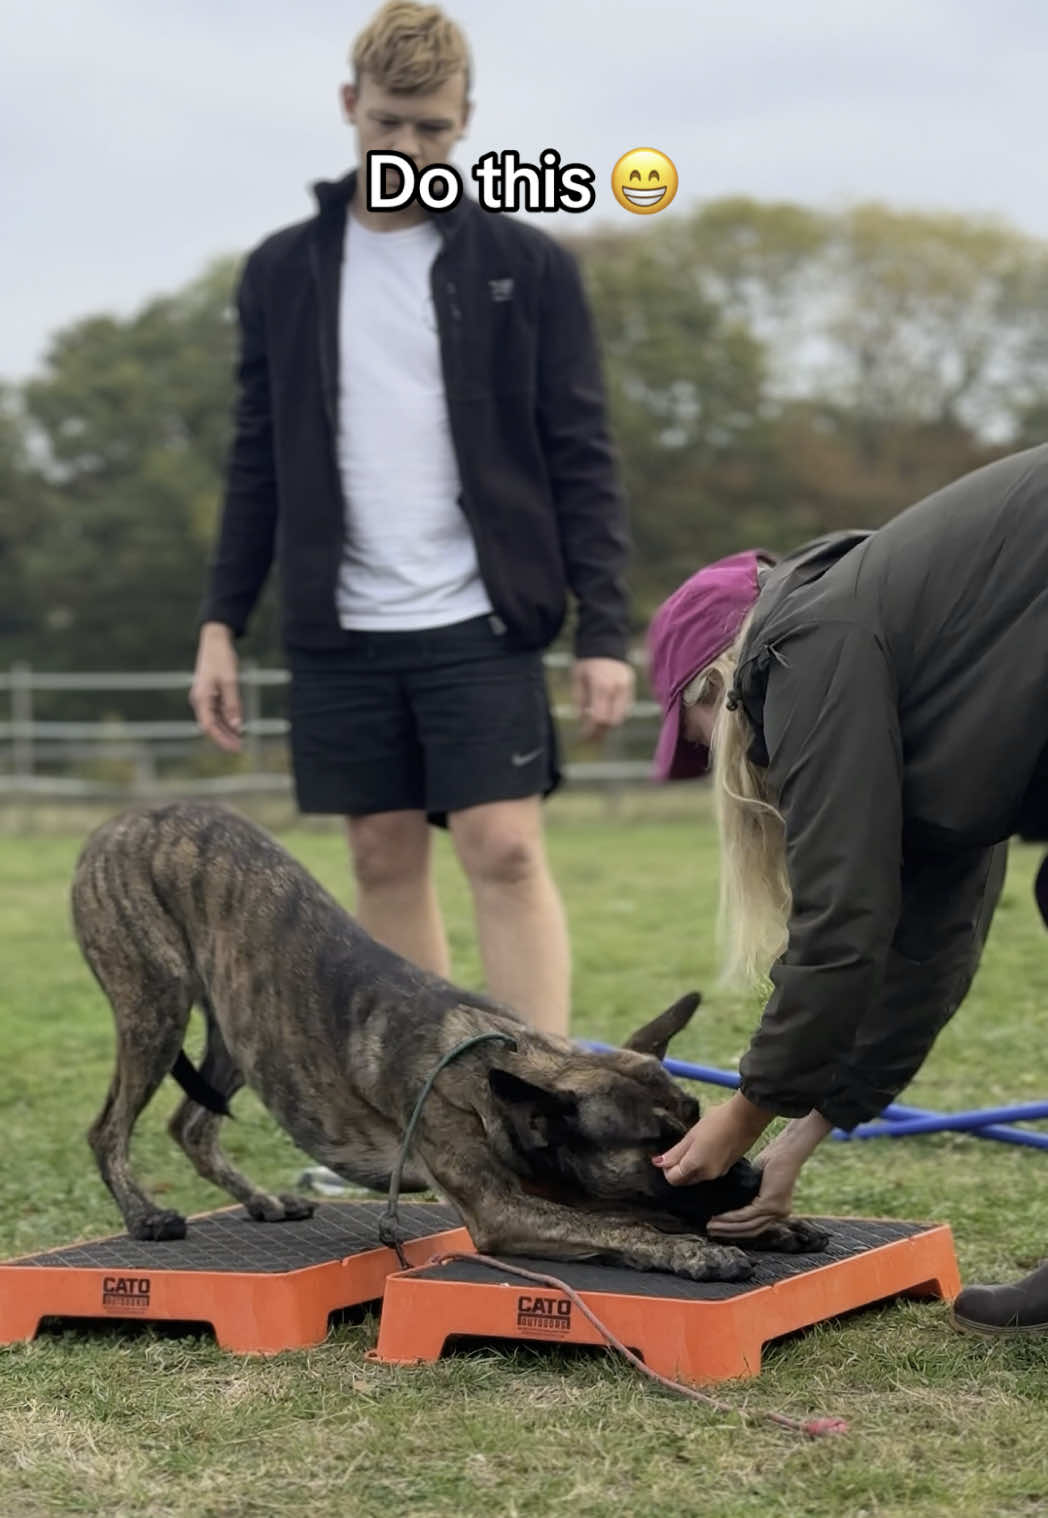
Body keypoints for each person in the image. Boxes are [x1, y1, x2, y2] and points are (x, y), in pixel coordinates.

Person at [189, 1, 634, 1039]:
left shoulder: (528, 267)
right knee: (381, 854)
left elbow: (583, 453)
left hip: (479, 616)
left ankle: (538, 1107)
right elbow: (255, 454)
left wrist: (603, 628)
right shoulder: (283, 272)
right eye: (388, 121)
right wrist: (221, 618)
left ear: (465, 122)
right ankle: (429, 1116)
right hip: (340, 623)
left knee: (505, 848)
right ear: (350, 107)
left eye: (430, 128)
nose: (407, 146)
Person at [645, 444, 1048, 1335]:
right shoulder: (910, 653)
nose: (715, 757)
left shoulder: (803, 648)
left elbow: (844, 920)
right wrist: (803, 1131)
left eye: (698, 730)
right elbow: (934, 937)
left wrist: (746, 1114)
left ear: (719, 678)